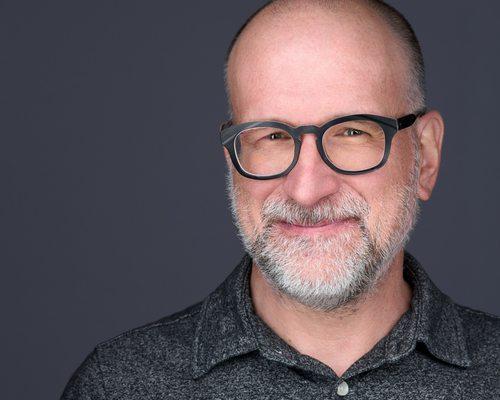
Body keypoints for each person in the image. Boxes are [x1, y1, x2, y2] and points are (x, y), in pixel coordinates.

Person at [61, 0, 500, 398]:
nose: (307, 189)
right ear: (232, 160)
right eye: (272, 136)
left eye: (352, 132)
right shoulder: (117, 385)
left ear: (425, 155)